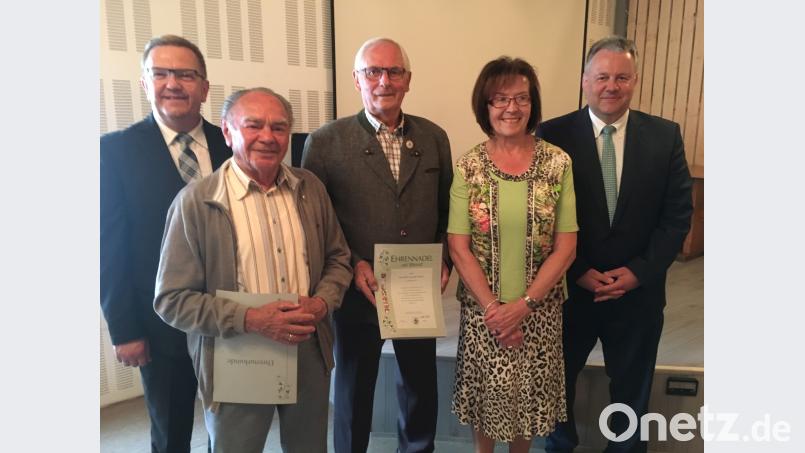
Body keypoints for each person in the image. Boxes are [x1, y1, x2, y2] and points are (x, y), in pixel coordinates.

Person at [153, 87, 352, 453]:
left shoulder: (311, 189)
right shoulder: (196, 202)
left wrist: (322, 303)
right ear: (227, 133)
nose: (268, 136)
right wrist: (252, 319)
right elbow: (172, 299)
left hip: (308, 347)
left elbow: (338, 259)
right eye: (253, 125)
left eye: (279, 127)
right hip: (235, 353)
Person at [539, 36, 693, 453]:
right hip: (569, 290)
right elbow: (542, 218)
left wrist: (639, 272)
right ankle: (560, 445)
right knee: (557, 382)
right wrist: (577, 270)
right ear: (585, 80)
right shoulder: (551, 136)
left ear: (635, 81)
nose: (611, 86)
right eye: (602, 76)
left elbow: (677, 215)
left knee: (632, 387)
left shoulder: (665, 136)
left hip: (637, 293)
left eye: (621, 77)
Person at [302, 37, 453, 453]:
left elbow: (448, 210)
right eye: (373, 71)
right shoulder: (325, 142)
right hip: (358, 292)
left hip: (416, 289)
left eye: (394, 72)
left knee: (419, 388)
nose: (384, 81)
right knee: (353, 393)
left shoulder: (434, 137)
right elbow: (316, 221)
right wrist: (353, 264)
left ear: (408, 80)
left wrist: (443, 259)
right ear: (357, 79)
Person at [100, 34, 232, 453]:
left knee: (230, 428)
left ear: (204, 88)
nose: (173, 83)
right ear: (145, 83)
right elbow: (109, 250)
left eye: (186, 74)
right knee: (171, 433)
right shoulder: (114, 152)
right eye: (161, 73)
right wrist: (125, 329)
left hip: (233, 318)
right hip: (160, 324)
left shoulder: (234, 143)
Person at [447, 57, 578, 453]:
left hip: (539, 313)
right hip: (484, 314)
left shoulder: (558, 163)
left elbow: (566, 247)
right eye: (500, 99)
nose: (511, 108)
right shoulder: (469, 166)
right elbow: (458, 246)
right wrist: (495, 310)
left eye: (521, 98)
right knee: (487, 405)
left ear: (532, 104)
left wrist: (523, 306)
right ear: (485, 106)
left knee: (527, 407)